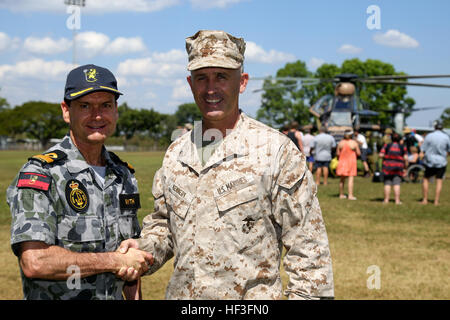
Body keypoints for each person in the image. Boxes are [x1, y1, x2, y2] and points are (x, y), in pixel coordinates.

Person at [118, 30, 334, 299]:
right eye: (201, 78)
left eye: (221, 76)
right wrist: (142, 248)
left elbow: (310, 254)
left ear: (242, 82)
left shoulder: (275, 151)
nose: (211, 88)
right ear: (190, 83)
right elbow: (166, 228)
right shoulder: (176, 153)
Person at [6, 64, 153, 300]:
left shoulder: (124, 176)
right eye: (85, 106)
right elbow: (35, 261)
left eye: (105, 105)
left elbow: (129, 261)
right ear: (66, 111)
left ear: (116, 111)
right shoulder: (42, 174)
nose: (97, 115)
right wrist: (113, 261)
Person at [420, 122, 450, 205]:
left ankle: (425, 200)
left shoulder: (429, 136)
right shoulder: (446, 137)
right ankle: (436, 201)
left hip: (430, 161)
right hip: (441, 161)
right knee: (439, 181)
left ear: (435, 128)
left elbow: (423, 148)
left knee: (426, 179)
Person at [379, 132, 408, 205]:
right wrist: (405, 168)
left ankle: (386, 200)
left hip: (387, 167)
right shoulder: (402, 147)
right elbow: (406, 158)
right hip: (398, 168)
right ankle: (397, 201)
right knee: (397, 184)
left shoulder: (387, 145)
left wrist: (387, 156)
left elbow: (380, 155)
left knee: (387, 183)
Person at [336, 130, 360, 200]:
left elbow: (337, 153)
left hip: (342, 162)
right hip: (351, 162)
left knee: (342, 179)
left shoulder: (340, 143)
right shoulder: (354, 143)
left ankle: (341, 194)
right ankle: (350, 195)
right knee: (351, 178)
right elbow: (358, 153)